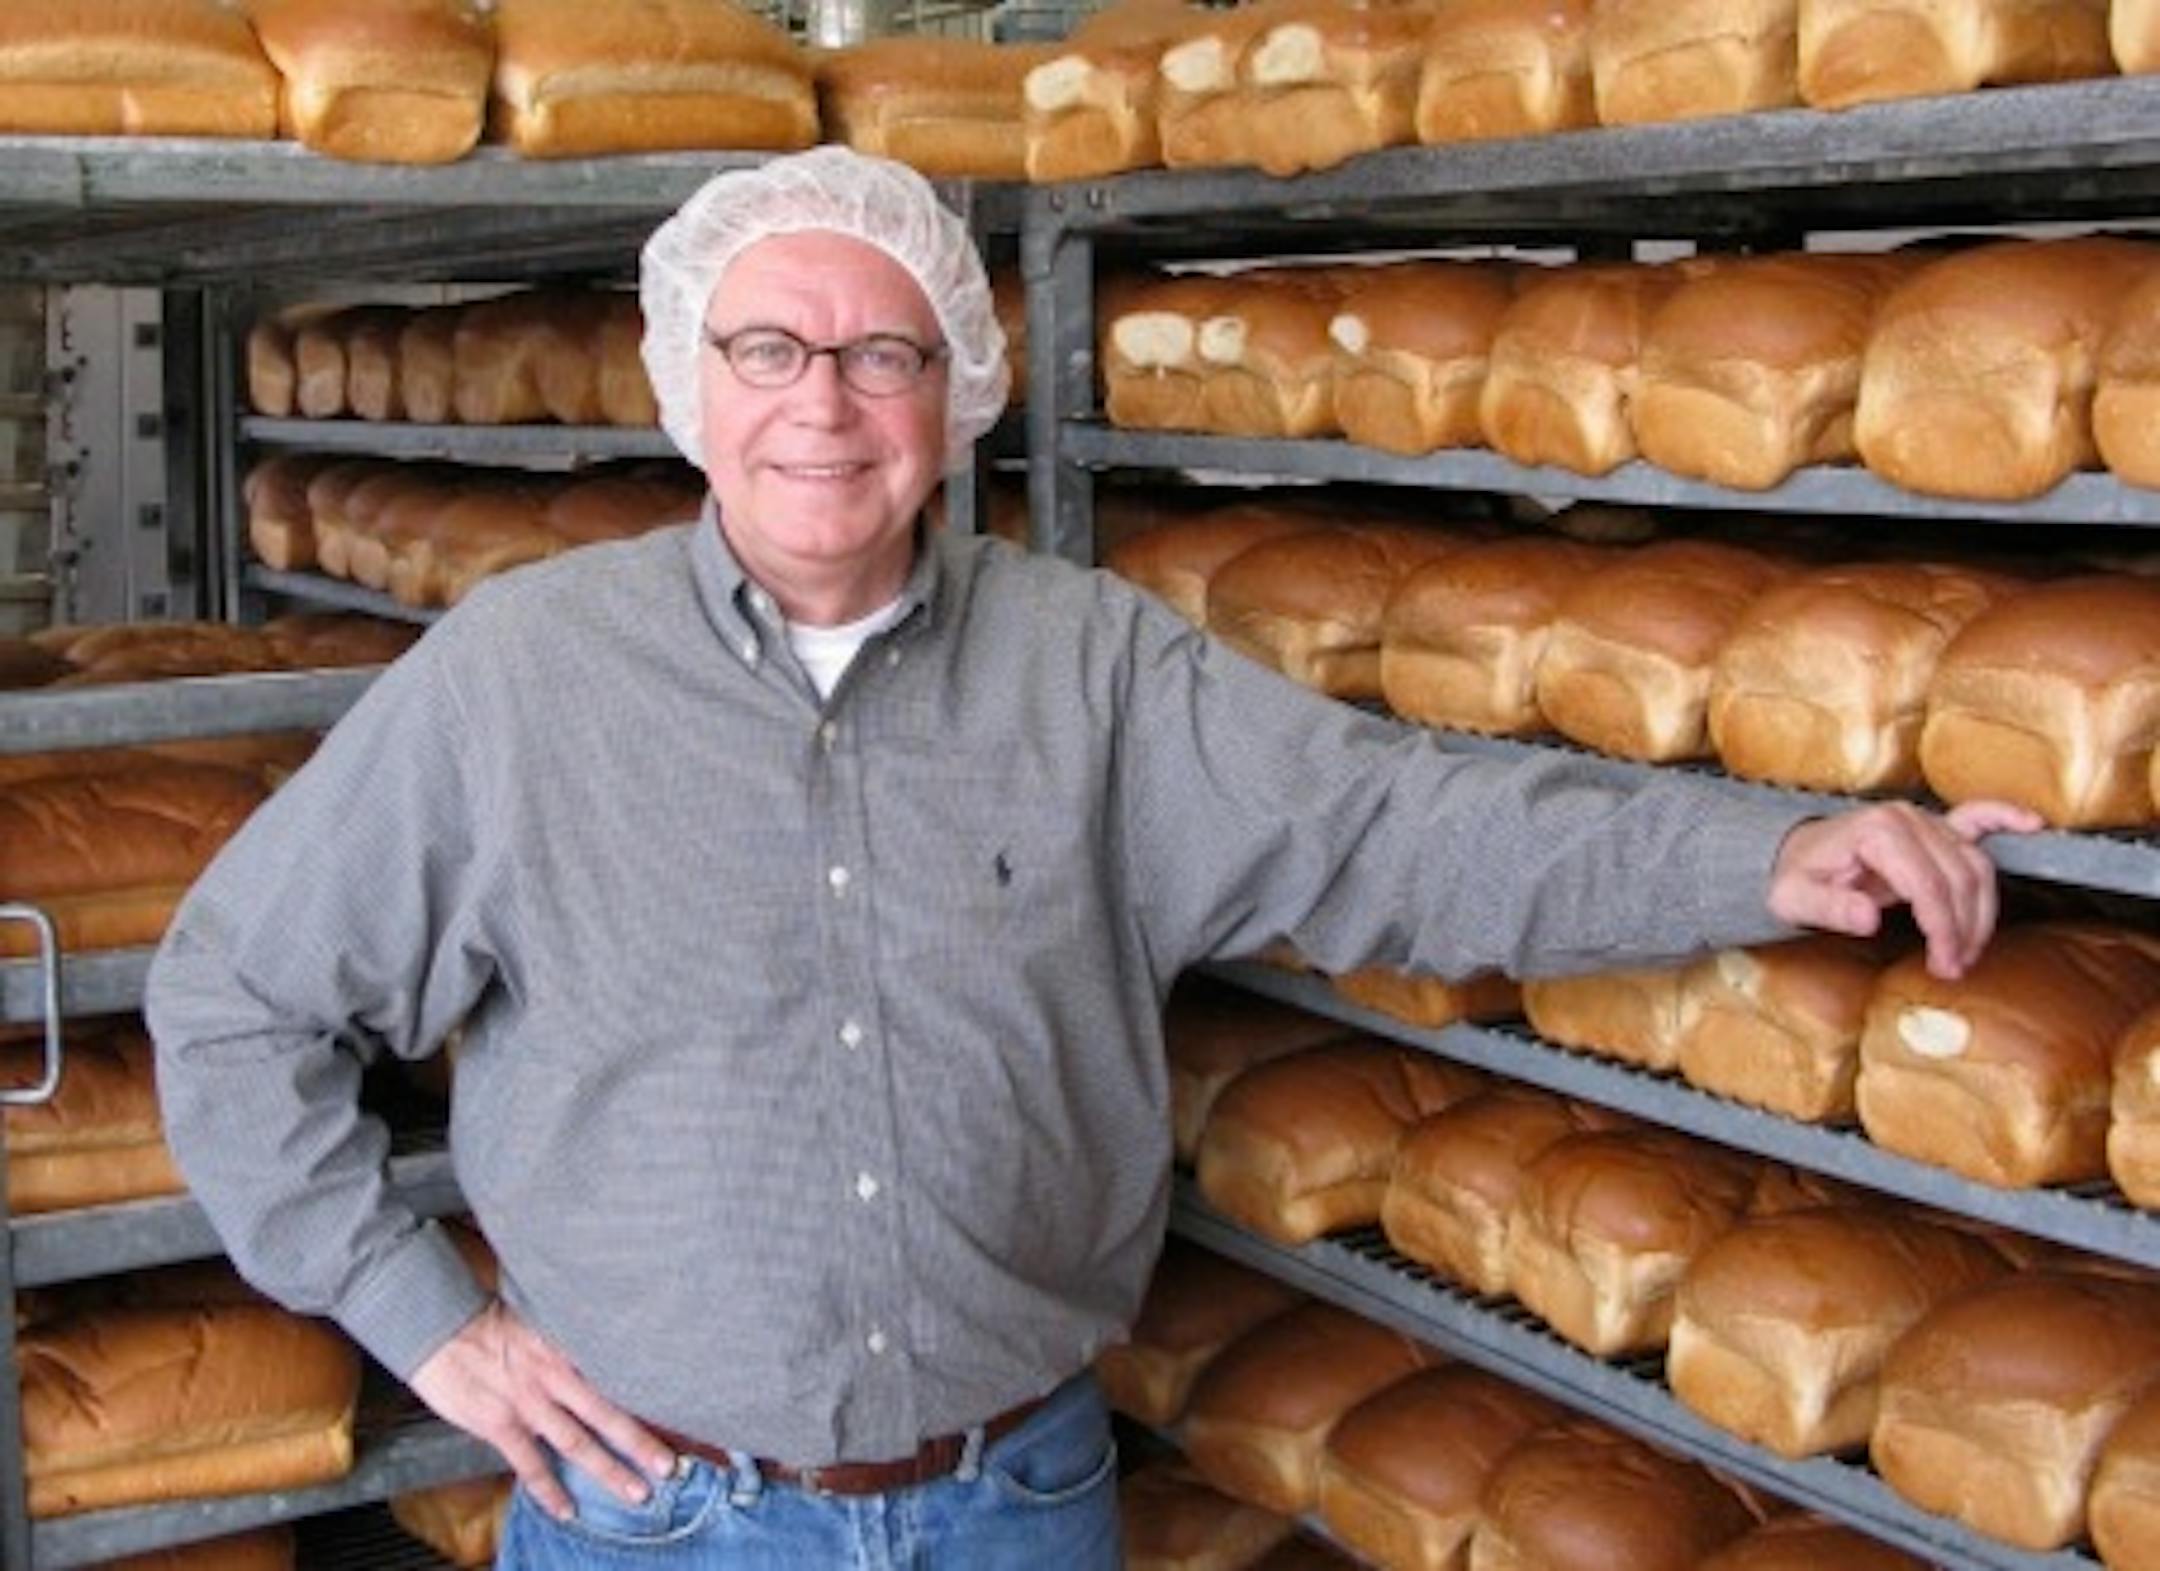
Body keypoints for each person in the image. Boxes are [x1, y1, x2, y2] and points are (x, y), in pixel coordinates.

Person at [147, 147, 2036, 1570]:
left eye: (884, 353)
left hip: (1021, 1498)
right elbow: (236, 999)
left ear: (959, 397)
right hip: (665, 1519)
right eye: (771, 347)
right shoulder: (520, 679)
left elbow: (1400, 822)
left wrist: (1773, 850)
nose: (825, 401)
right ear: (685, 386)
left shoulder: (1091, 666)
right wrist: (426, 1323)